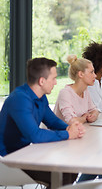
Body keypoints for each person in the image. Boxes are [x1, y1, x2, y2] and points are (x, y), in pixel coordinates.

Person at [0, 57, 85, 188]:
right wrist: (68, 134)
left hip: (27, 153)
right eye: (54, 78)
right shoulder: (19, 99)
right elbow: (35, 135)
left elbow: (52, 121)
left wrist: (71, 127)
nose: (56, 82)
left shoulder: (40, 97)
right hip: (8, 160)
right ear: (41, 81)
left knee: (71, 170)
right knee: (62, 174)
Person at [54, 55, 99, 124]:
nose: (95, 76)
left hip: (76, 132)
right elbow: (71, 121)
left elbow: (94, 110)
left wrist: (93, 116)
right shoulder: (65, 93)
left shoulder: (85, 91)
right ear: (81, 74)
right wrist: (84, 118)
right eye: (91, 72)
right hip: (59, 133)